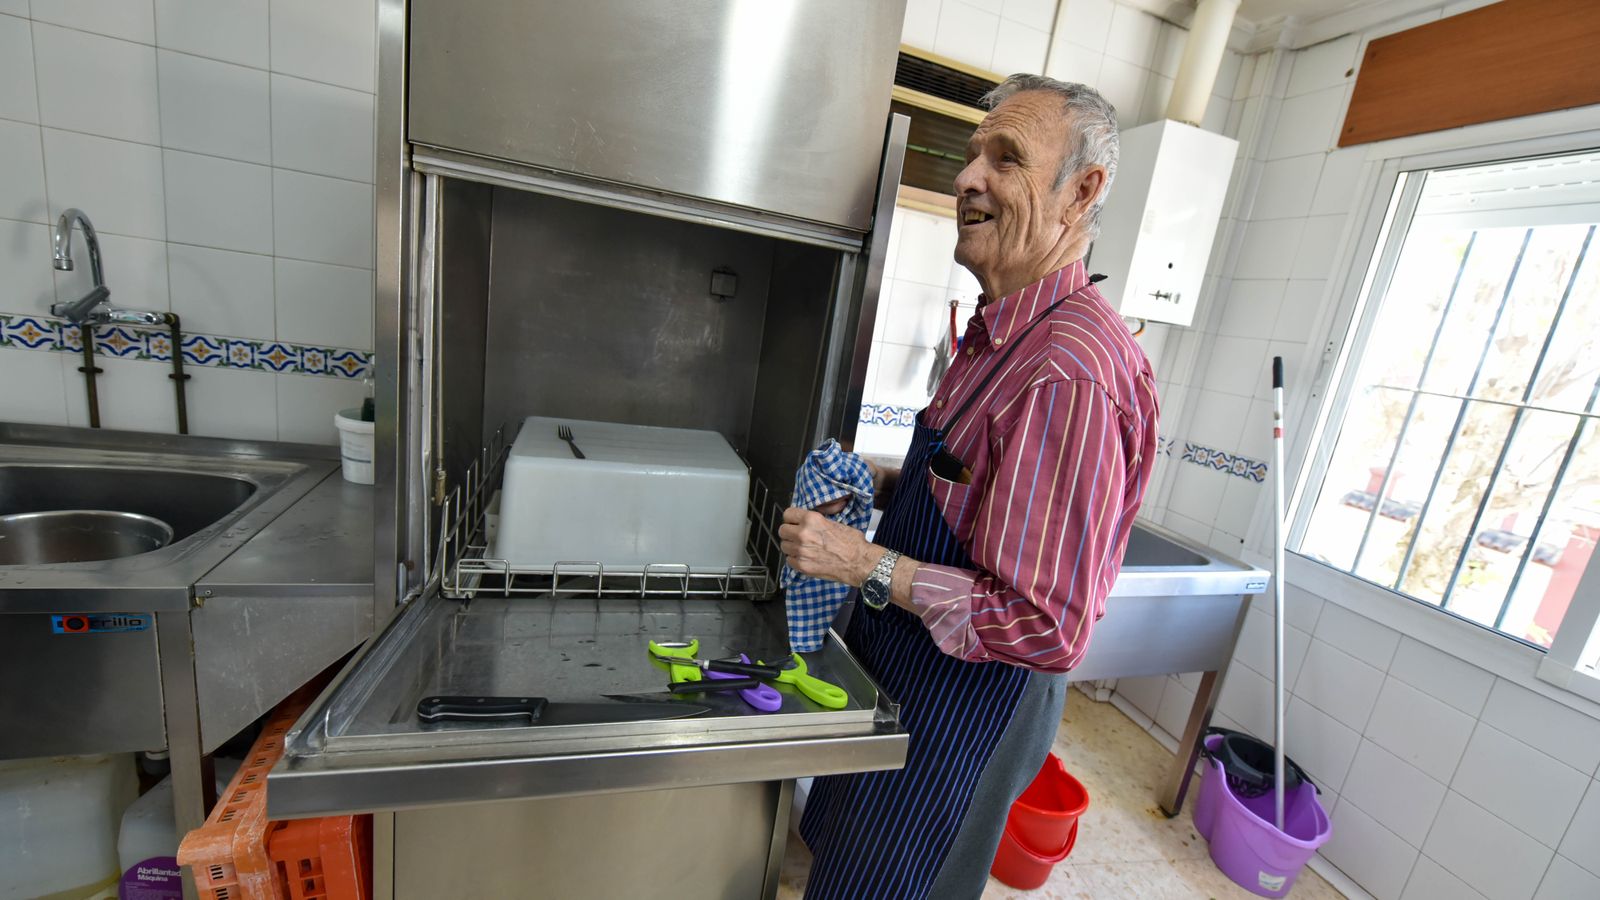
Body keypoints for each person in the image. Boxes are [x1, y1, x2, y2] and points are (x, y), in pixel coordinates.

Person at [778, 74, 1159, 899]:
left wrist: (860, 562)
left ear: (1081, 193)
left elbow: (1045, 622)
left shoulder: (1067, 373)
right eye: (972, 154)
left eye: (1007, 158)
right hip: (905, 688)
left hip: (959, 723)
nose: (966, 177)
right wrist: (877, 479)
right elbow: (979, 493)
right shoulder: (1000, 333)